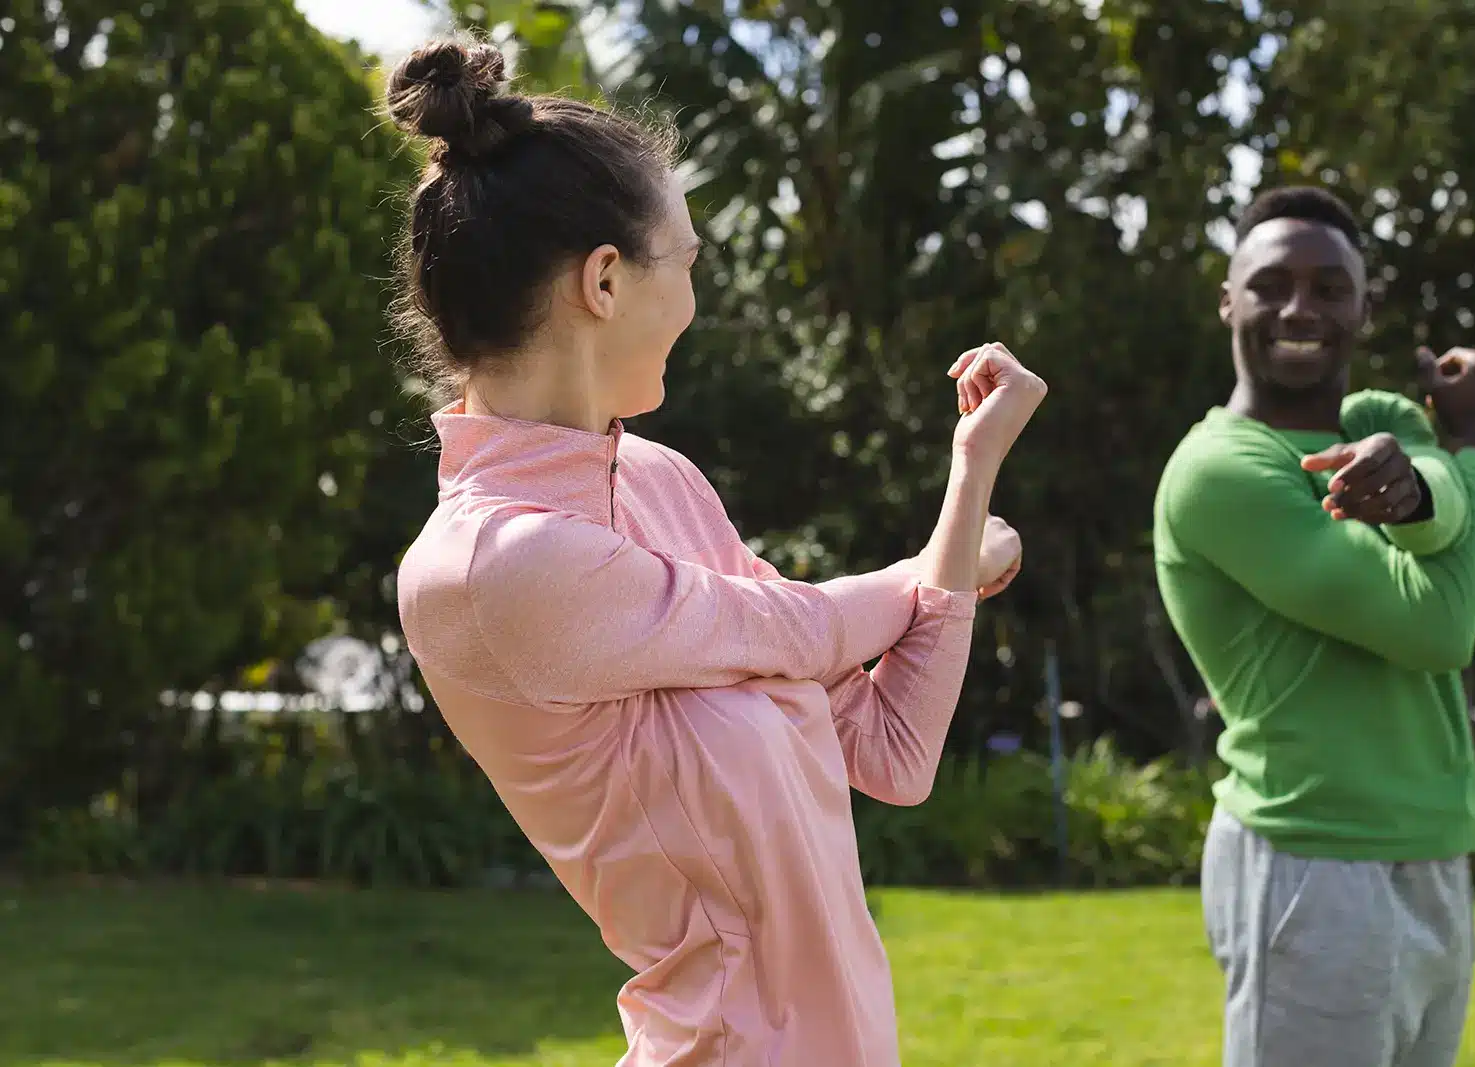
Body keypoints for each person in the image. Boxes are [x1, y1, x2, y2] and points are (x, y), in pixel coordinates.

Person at [386, 40, 1047, 1067]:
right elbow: (809, 626)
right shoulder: (492, 565)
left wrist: (971, 477)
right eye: (687, 264)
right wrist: (939, 562)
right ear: (604, 280)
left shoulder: (656, 481)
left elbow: (891, 750)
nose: (695, 300)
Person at [1152, 185, 1475, 1067]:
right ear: (1227, 299)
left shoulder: (1385, 422)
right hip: (1310, 861)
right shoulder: (1218, 470)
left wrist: (1431, 486)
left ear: (1365, 306)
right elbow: (1441, 628)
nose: (1298, 309)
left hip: (1431, 846)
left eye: (1329, 287)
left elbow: (1440, 497)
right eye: (1271, 284)